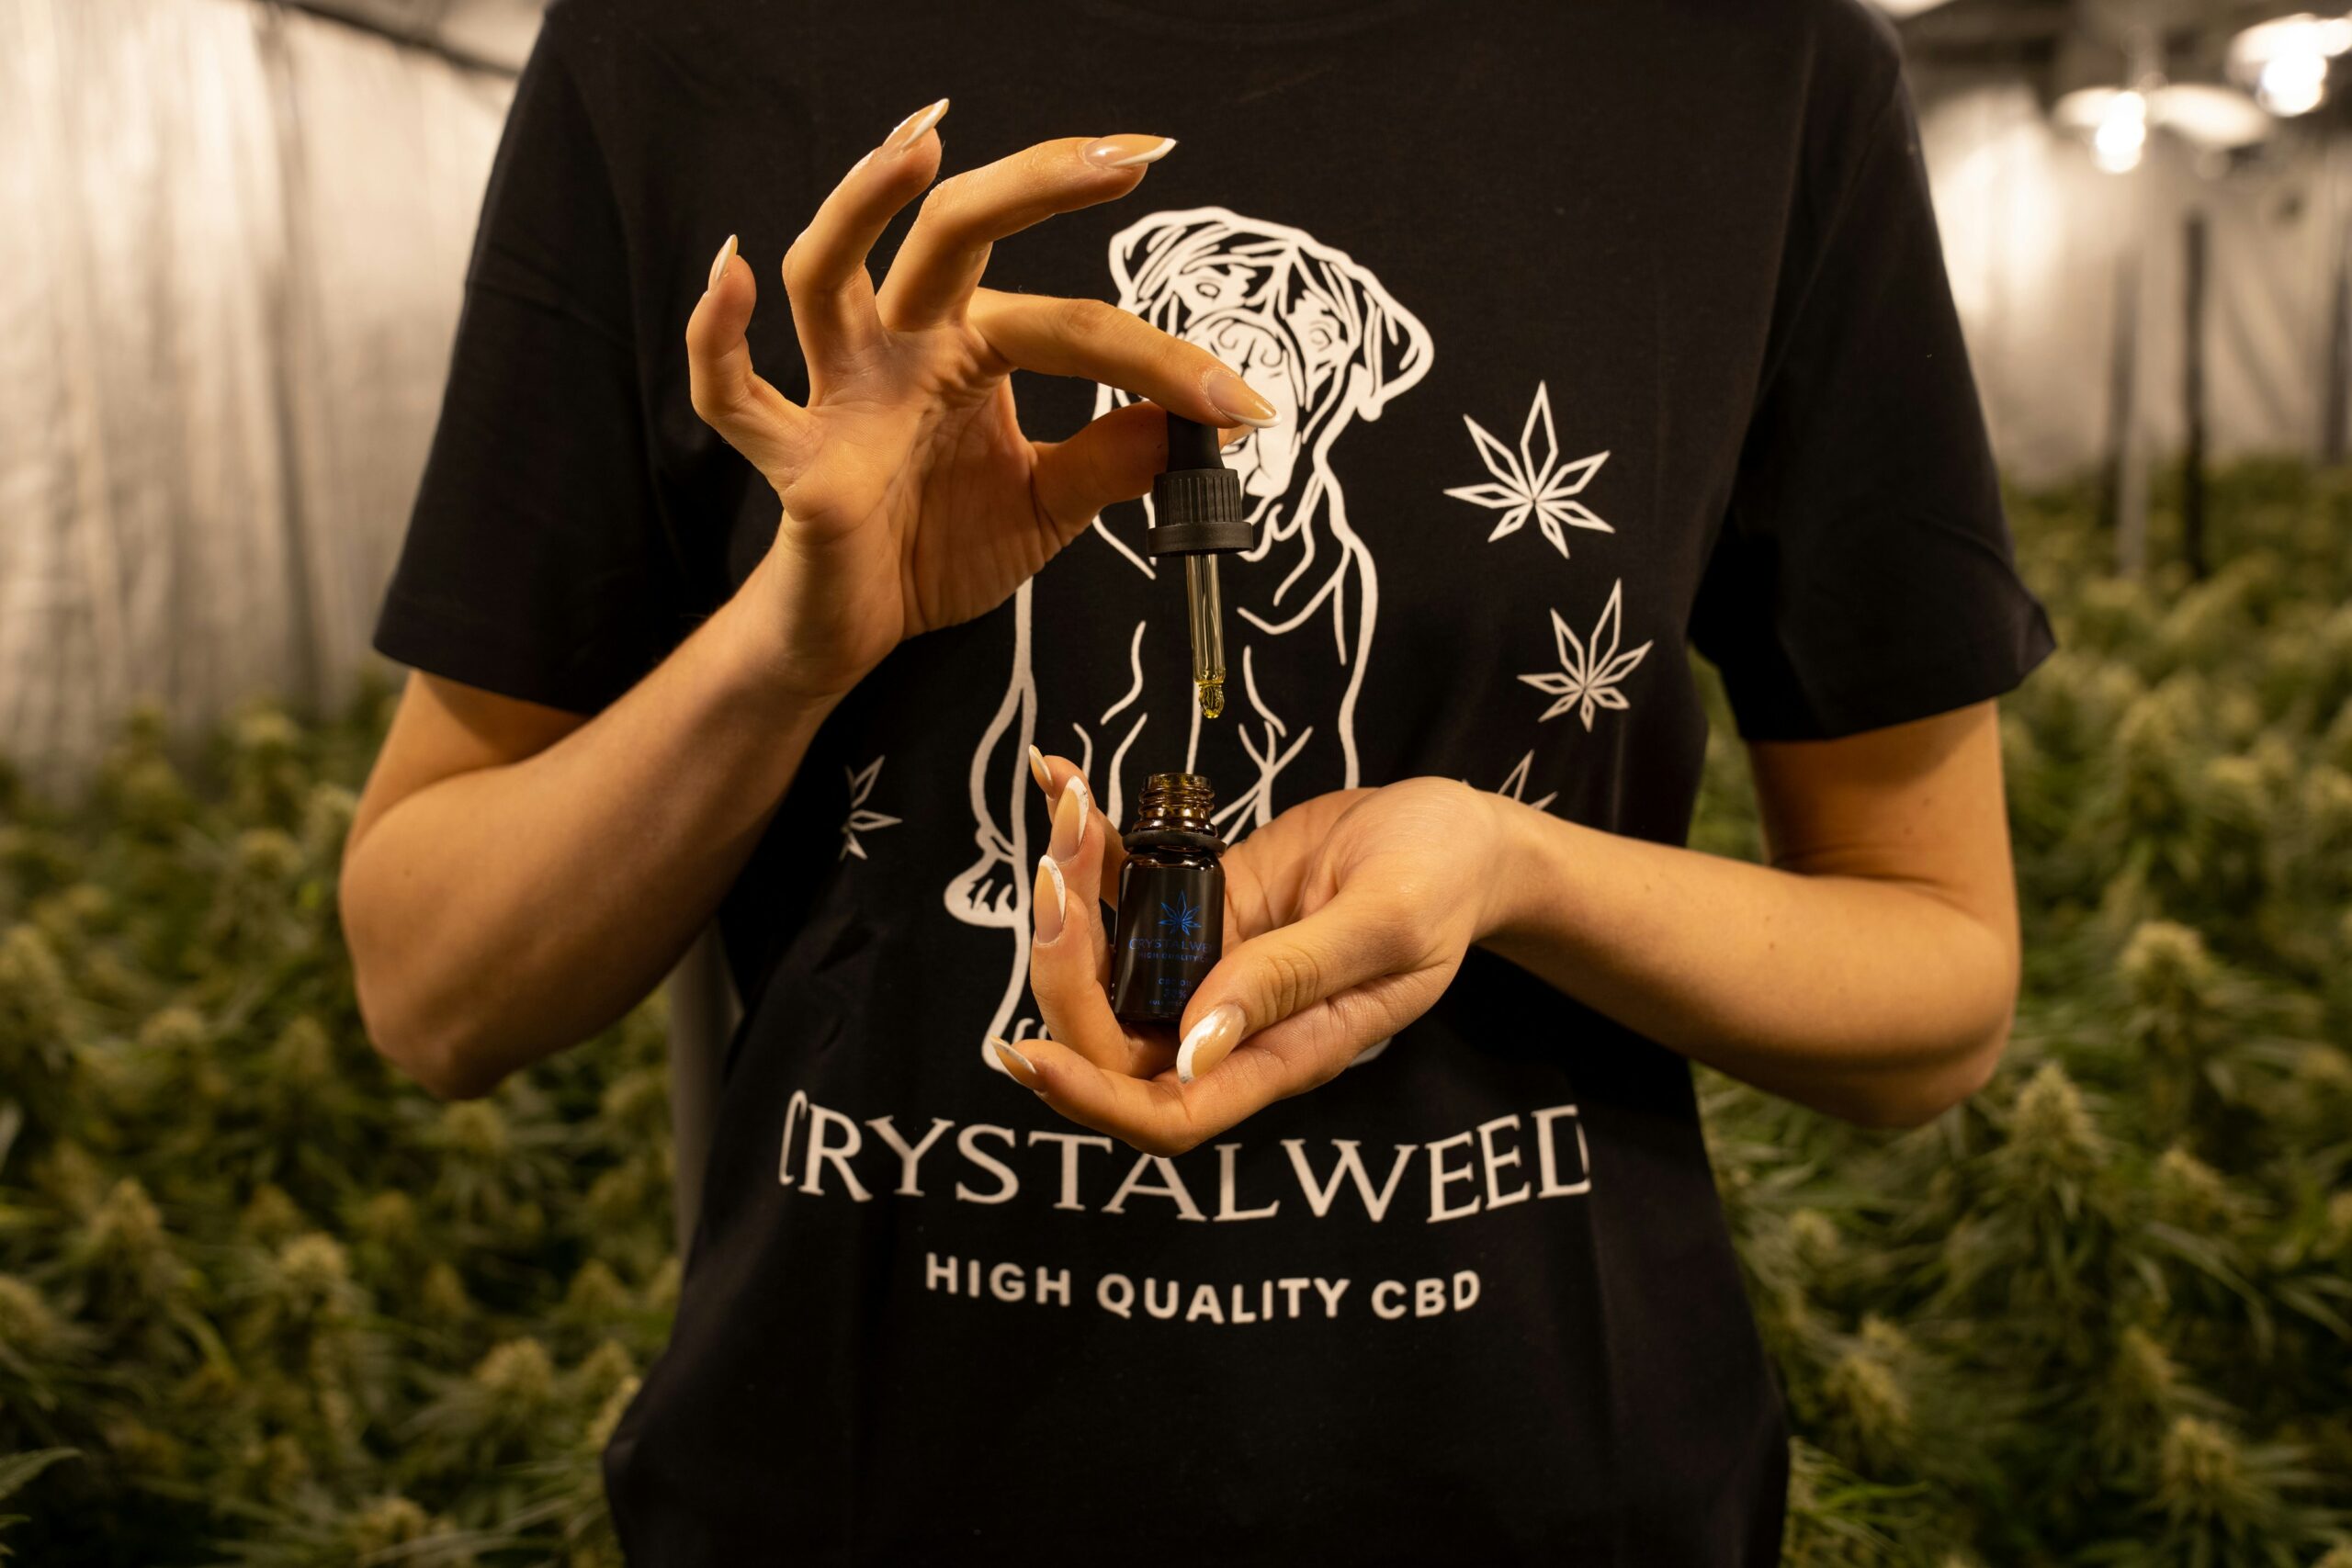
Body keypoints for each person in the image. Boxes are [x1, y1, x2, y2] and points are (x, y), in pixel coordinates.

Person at [341, 0, 2055, 1560]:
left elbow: (1937, 991)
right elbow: (434, 988)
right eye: (1208, 317)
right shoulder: (676, 48)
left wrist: (1515, 871)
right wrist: (788, 646)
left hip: (1540, 1492)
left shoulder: (1759, 69)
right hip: (859, 1484)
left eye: (1285, 342)